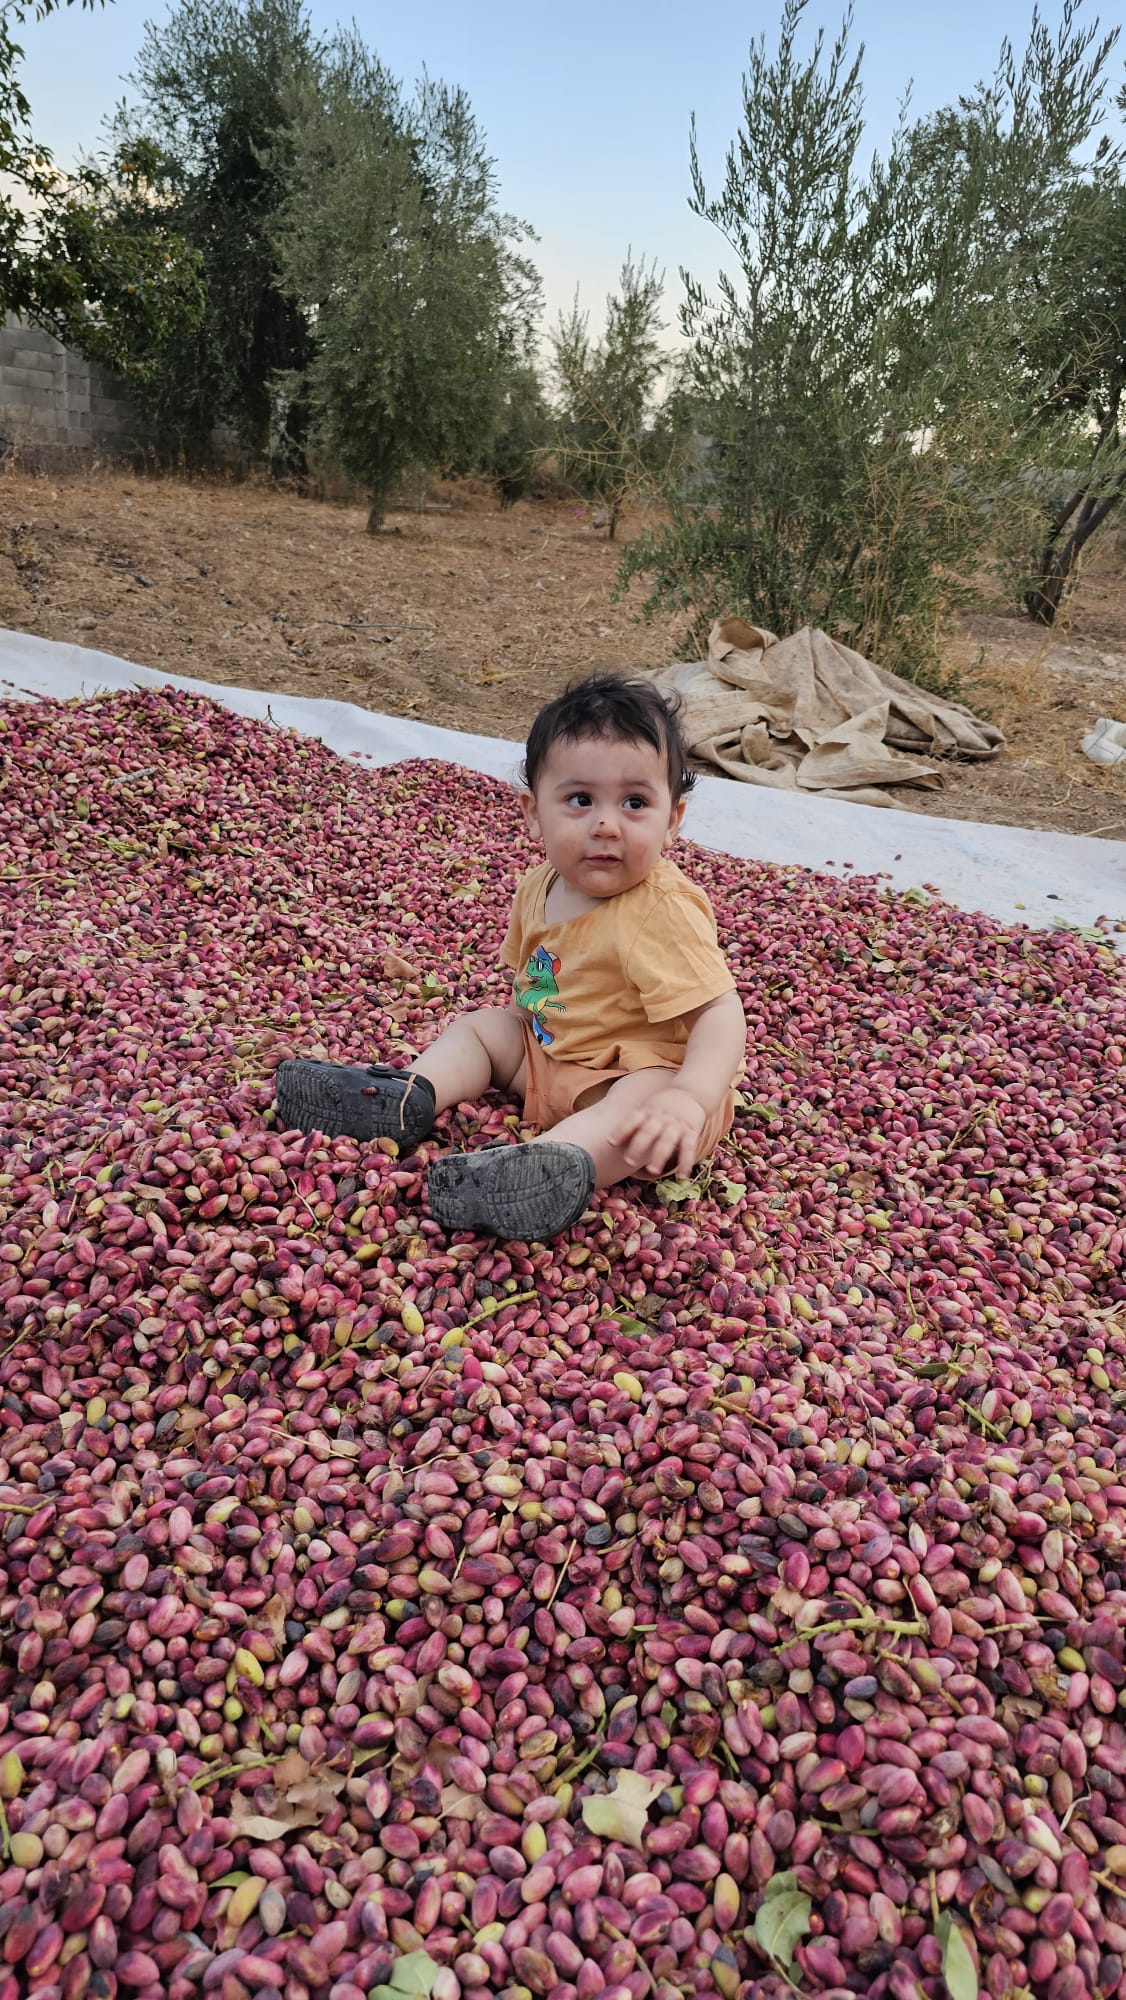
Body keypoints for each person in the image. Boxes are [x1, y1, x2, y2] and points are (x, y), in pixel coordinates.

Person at [276, 674, 747, 1239]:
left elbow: (720, 1013)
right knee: (483, 1028)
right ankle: (404, 1098)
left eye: (635, 802)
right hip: (551, 1056)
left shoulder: (660, 911)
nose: (605, 823)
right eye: (579, 800)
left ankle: (548, 1166)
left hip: (645, 1079)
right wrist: (517, 1041)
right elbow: (537, 989)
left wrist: (692, 1098)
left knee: (637, 1103)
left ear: (672, 819)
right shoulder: (540, 886)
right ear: (533, 812)